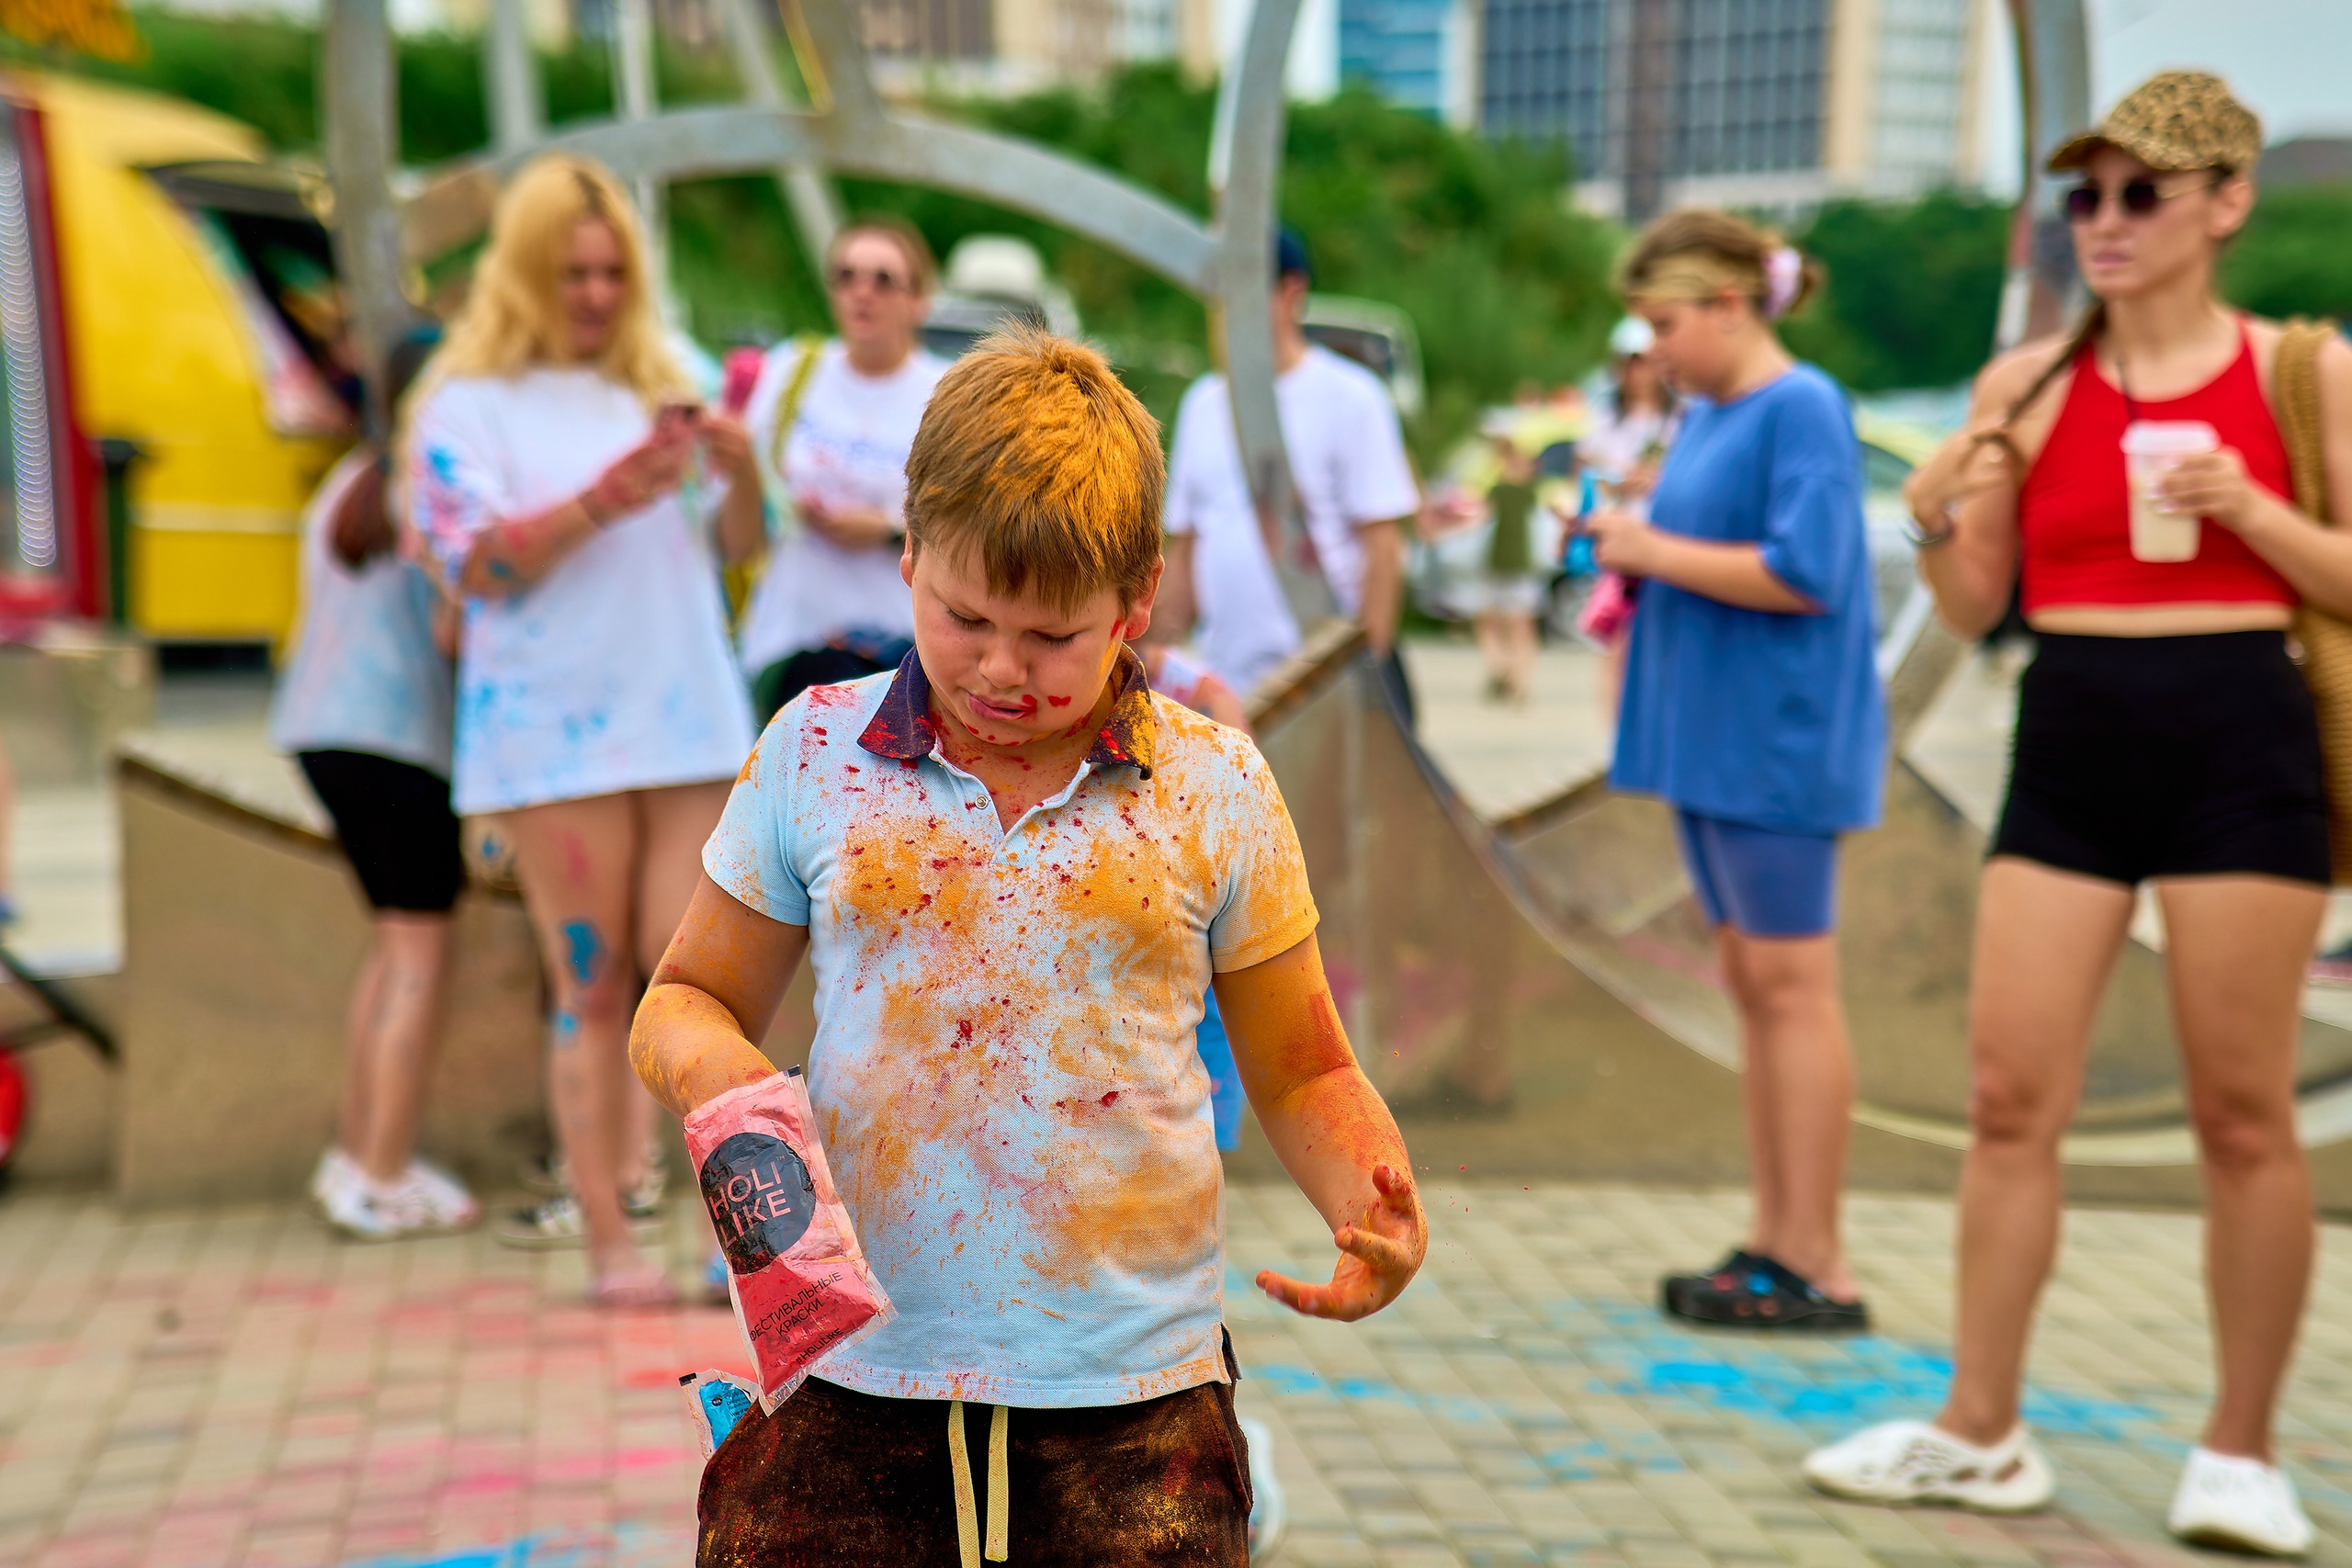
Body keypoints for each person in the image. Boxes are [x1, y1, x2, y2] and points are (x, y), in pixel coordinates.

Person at [631, 329, 1425, 1565]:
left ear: (1137, 599)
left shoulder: (1213, 786)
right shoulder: (813, 753)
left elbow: (1303, 1066)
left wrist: (1370, 1192)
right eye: (963, 617)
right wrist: (715, 1072)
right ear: (908, 553)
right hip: (851, 1375)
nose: (1001, 668)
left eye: (1053, 637)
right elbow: (683, 997)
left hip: (1132, 1399)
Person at [1803, 73, 2352, 1554]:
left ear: (2227, 204)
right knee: (2008, 1099)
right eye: (2085, 195)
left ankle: (2240, 1449)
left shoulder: (2302, 370)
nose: (2104, 220)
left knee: (2243, 1113)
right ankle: (1981, 1427)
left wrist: (2248, 505)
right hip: (2072, 732)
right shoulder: (2029, 383)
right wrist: (1935, 512)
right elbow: (1979, 603)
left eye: (2141, 193)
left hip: (2241, 733)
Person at [406, 153, 756, 1304]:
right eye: (573, 273)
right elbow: (474, 566)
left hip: (687, 721)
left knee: (697, 987)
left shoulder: (671, 373)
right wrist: (608, 496)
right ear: (524, 273)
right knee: (592, 985)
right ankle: (609, 1243)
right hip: (552, 736)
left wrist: (742, 471)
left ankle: (730, 1248)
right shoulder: (466, 405)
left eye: (613, 272)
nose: (598, 294)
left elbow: (738, 545)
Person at [1585, 211, 1886, 1331]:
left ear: (1728, 303)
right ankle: (1777, 1239)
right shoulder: (1711, 411)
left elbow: (1809, 570)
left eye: (1665, 324)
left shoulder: (1801, 405)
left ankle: (1818, 1258)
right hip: (1718, 743)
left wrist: (1649, 548)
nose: (1654, 349)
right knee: (1758, 993)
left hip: (1775, 745)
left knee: (1791, 991)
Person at [274, 329, 479, 1242]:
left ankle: (359, 1155)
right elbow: (451, 632)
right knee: (419, 961)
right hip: (397, 742)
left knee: (395, 951)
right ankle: (382, 1174)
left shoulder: (349, 480)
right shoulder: (427, 489)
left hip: (321, 734)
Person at [1159, 228, 1419, 713]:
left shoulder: (1352, 397)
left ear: (1291, 293)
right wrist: (1150, 653)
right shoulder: (1204, 402)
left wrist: (1366, 680)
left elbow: (1383, 550)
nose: (1227, 308)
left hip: (1317, 684)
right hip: (1225, 686)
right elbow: (1188, 546)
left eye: (1242, 289)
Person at [718, 216, 950, 725]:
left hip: (905, 647)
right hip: (791, 637)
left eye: (883, 280)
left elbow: (976, 530)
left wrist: (888, 533)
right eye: (846, 276)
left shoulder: (947, 392)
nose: (862, 292)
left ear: (919, 299)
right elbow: (739, 538)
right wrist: (743, 471)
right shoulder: (792, 371)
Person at [1577, 316, 1680, 716]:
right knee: (1618, 642)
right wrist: (1619, 481)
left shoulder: (1681, 418)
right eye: (1630, 362)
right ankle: (1619, 729)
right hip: (1620, 545)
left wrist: (1658, 479)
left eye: (1644, 362)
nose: (1637, 372)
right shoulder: (1604, 418)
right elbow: (1585, 475)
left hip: (1666, 539)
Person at [1469, 425, 1548, 705]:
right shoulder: (1500, 490)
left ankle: (1518, 677)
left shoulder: (1527, 492)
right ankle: (1503, 670)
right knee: (1492, 620)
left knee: (1519, 623)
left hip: (1519, 565)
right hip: (1497, 562)